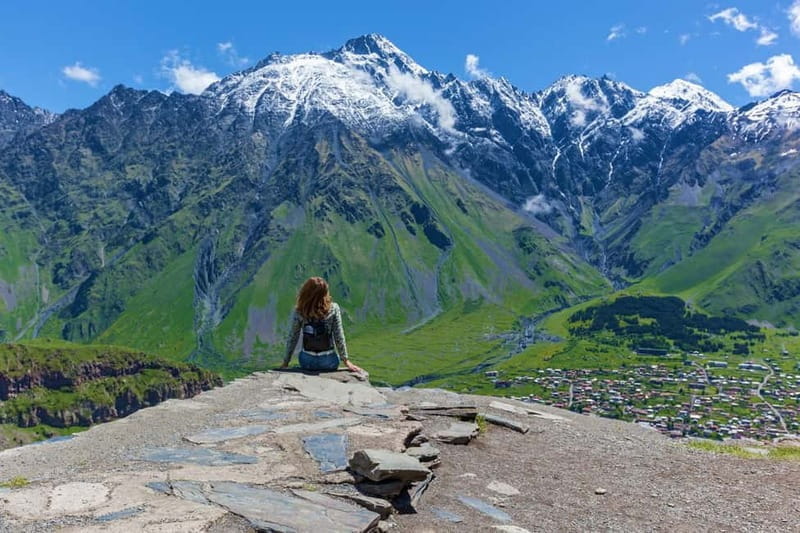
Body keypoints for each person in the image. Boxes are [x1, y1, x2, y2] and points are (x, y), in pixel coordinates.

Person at [280, 276, 365, 374]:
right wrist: (346, 361)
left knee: (303, 355)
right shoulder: (333, 308)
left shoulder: (300, 311)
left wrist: (286, 362)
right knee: (333, 356)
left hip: (307, 362)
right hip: (329, 362)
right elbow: (339, 336)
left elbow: (293, 337)